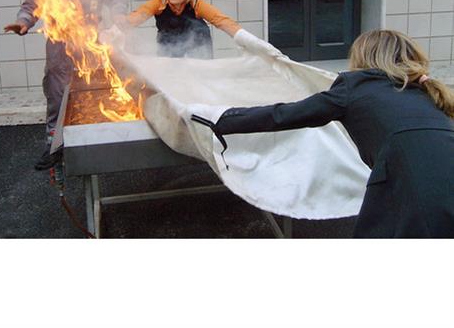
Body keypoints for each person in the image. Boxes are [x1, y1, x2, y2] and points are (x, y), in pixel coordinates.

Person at [193, 29, 454, 238]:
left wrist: (221, 119)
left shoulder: (356, 88)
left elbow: (284, 114)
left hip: (415, 193)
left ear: (364, 57)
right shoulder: (425, 94)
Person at [4, 0, 128, 170]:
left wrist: (118, 14)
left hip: (91, 49)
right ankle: (54, 147)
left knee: (92, 98)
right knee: (57, 100)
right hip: (59, 51)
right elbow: (31, 6)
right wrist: (23, 22)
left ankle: (92, 145)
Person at [126, 0, 241, 58]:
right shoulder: (160, 0)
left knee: (198, 76)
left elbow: (220, 20)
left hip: (198, 45)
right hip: (168, 45)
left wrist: (244, 38)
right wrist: (119, 29)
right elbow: (139, 15)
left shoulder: (195, 2)